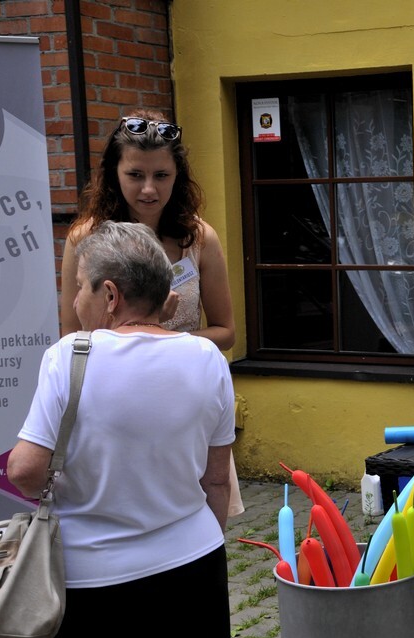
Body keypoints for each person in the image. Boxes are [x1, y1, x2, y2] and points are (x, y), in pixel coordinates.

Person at [8, 222, 235, 638]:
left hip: (92, 576)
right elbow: (217, 480)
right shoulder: (207, 357)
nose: (76, 300)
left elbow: (24, 471)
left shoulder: (69, 356)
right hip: (195, 560)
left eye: (80, 287)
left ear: (110, 295)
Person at [59, 109, 243, 516]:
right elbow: (71, 339)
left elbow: (226, 331)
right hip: (112, 404)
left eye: (161, 175)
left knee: (198, 514)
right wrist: (143, 332)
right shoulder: (85, 239)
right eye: (135, 175)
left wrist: (166, 339)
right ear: (114, 174)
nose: (148, 189)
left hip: (183, 401)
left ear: (178, 176)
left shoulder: (199, 238)